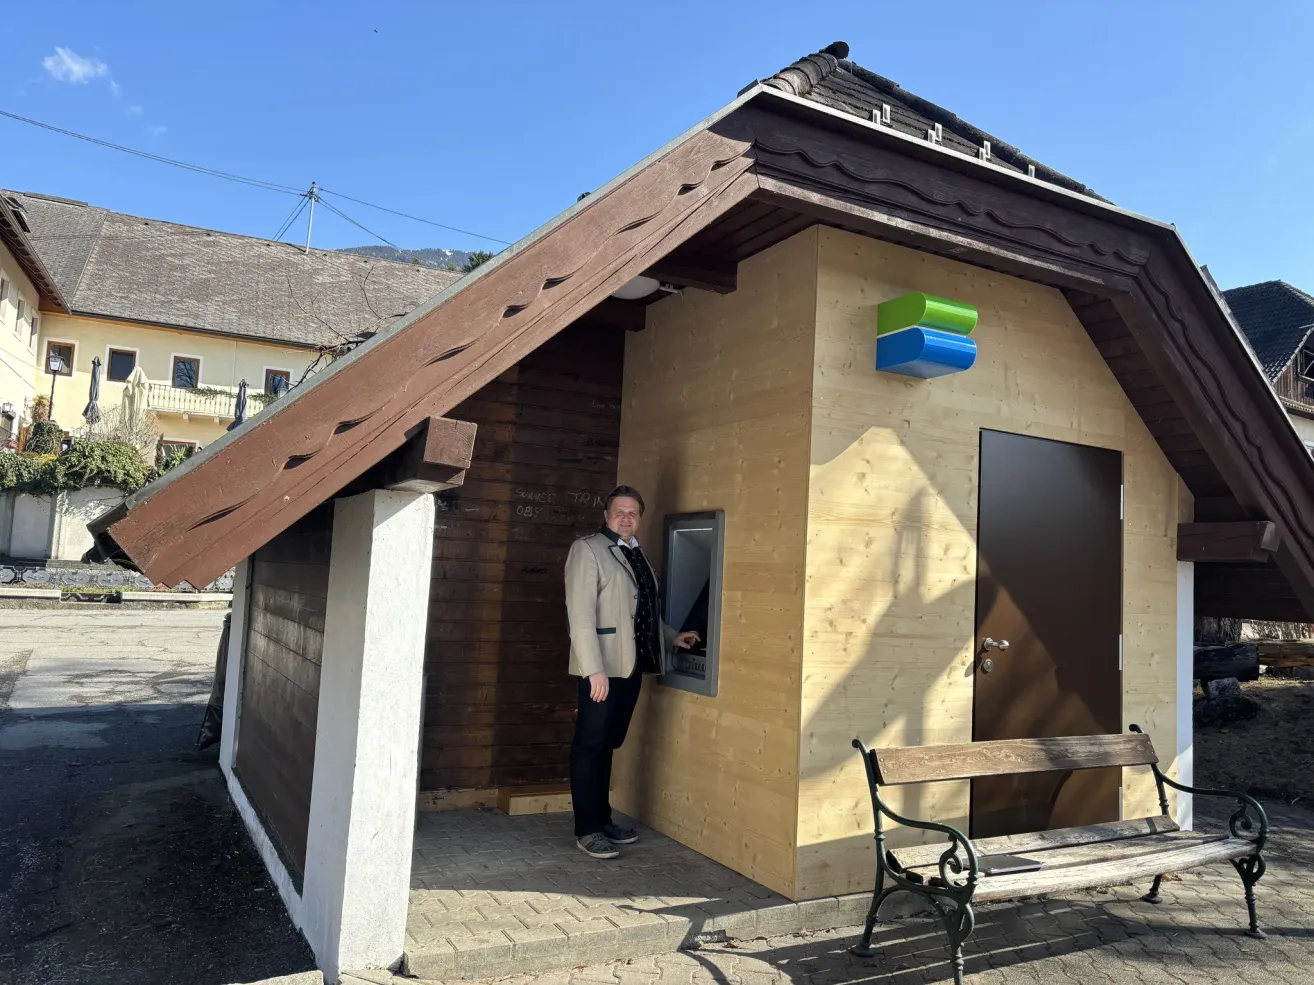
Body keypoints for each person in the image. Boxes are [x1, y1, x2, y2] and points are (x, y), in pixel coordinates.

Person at [564, 485, 700, 859]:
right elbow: (580, 616)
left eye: (633, 513)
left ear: (640, 517)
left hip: (632, 666)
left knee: (608, 743)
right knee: (590, 745)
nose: (626, 518)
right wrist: (593, 670)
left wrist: (672, 637)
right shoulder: (588, 550)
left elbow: (644, 615)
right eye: (620, 512)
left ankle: (602, 818)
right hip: (601, 670)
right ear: (606, 515)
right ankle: (587, 829)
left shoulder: (637, 554)